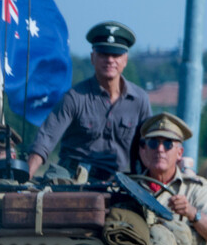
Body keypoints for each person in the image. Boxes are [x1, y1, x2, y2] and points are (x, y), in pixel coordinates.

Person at [27, 21, 152, 179]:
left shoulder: (139, 100)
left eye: (116, 55)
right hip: (73, 179)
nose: (110, 60)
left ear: (125, 60)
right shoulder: (75, 97)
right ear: (93, 58)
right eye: (103, 54)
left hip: (116, 181)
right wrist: (26, 175)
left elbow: (149, 148)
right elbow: (46, 138)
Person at [131, 112, 207, 245]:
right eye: (153, 143)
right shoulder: (130, 188)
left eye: (168, 144)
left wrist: (192, 213)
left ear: (179, 153)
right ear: (144, 150)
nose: (160, 149)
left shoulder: (196, 189)